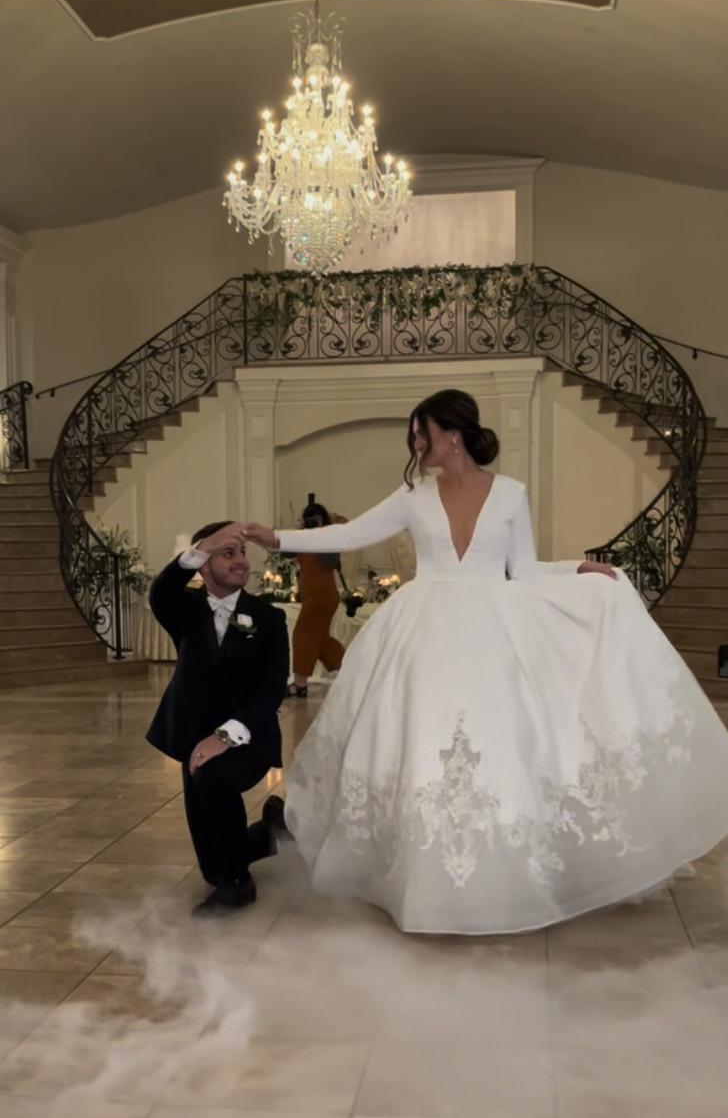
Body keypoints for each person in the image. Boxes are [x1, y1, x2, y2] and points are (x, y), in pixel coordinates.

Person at [242, 388, 728, 935]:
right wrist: (276, 537)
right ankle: (413, 872)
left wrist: (573, 571)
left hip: (492, 627)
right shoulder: (413, 496)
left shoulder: (511, 494)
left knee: (503, 741)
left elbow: (520, 570)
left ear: (454, 434)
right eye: (414, 435)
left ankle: (501, 874)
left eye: (423, 432)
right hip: (423, 630)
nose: (417, 443)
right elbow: (351, 533)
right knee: (418, 739)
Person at [147, 520, 289, 916]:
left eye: (242, 552)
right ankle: (270, 832)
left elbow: (271, 691)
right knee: (211, 866)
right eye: (228, 553)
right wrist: (199, 548)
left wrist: (224, 737)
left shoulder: (268, 618)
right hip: (192, 737)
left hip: (249, 737)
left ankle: (241, 885)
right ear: (204, 565)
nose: (241, 561)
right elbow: (159, 592)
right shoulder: (184, 609)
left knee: (212, 777)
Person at [285, 501, 346, 698]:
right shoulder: (303, 539)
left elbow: (328, 562)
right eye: (311, 519)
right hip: (311, 595)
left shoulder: (330, 540)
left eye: (318, 519)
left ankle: (299, 685)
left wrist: (323, 534)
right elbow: (286, 553)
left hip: (322, 595)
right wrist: (297, 533)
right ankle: (353, 671)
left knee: (304, 636)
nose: (314, 523)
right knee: (319, 641)